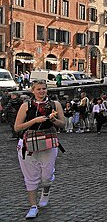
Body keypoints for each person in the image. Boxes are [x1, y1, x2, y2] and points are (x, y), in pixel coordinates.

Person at [14, 80, 65, 219]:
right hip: (28, 144)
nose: (42, 91)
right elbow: (17, 127)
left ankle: (46, 190)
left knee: (47, 176)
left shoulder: (55, 104)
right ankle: (33, 206)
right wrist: (35, 121)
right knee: (30, 178)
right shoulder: (26, 105)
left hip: (48, 143)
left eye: (44, 89)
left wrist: (53, 120)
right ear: (33, 91)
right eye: (38, 89)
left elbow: (63, 123)